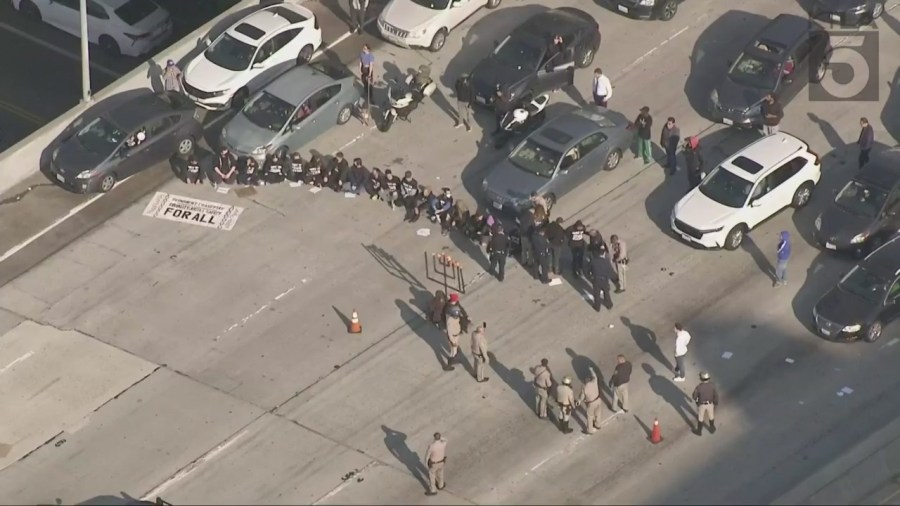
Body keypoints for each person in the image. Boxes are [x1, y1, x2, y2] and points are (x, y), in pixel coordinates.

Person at [442, 293, 468, 370]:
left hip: (456, 332)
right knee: (452, 351)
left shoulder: (454, 312)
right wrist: (452, 341)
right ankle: (449, 364)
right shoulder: (450, 319)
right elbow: (449, 331)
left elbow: (460, 309)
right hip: (453, 335)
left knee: (455, 348)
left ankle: (454, 353)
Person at [577, 367, 603, 434]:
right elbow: (594, 375)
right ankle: (598, 425)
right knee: (598, 413)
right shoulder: (594, 382)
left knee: (590, 416)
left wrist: (579, 401)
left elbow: (582, 396)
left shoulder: (584, 387)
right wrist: (591, 370)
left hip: (591, 403)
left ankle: (590, 430)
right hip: (598, 399)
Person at [692, 372, 719, 436]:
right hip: (710, 403)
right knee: (711, 416)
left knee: (700, 417)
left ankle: (699, 431)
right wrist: (715, 402)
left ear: (701, 378)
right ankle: (712, 428)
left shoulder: (698, 387)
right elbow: (716, 395)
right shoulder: (713, 385)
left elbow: (694, 396)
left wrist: (697, 401)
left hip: (702, 404)